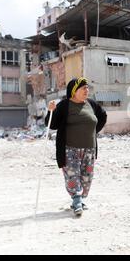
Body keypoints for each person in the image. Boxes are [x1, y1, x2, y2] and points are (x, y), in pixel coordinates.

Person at [45, 77, 107, 216]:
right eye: (83, 88)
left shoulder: (91, 104)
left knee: (87, 178)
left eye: (87, 88)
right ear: (74, 91)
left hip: (89, 149)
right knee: (73, 176)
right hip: (69, 149)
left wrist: (93, 131)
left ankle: (80, 198)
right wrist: (51, 111)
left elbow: (102, 116)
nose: (87, 90)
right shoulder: (64, 105)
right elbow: (52, 124)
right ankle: (77, 200)